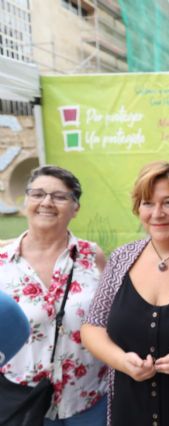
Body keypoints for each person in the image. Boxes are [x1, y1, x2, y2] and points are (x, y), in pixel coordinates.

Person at [81, 162, 169, 426]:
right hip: (129, 413)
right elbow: (92, 326)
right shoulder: (123, 258)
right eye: (147, 203)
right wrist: (122, 361)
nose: (157, 213)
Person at [0, 165, 108, 425]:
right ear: (26, 200)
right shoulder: (2, 260)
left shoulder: (93, 256)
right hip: (22, 402)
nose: (46, 202)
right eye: (37, 194)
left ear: (75, 207)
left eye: (59, 196)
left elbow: (108, 318)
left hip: (87, 399)